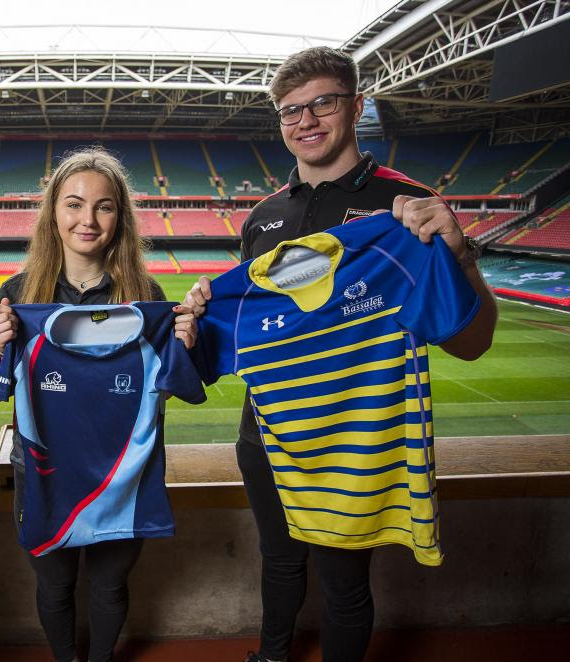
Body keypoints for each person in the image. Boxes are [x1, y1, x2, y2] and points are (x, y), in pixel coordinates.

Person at [185, 47, 497, 662]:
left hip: (356, 437)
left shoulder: (407, 207)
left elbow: (472, 342)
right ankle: (271, 656)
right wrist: (201, 314)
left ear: (356, 107)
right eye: (290, 110)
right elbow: (246, 330)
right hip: (266, 430)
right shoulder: (263, 217)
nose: (305, 120)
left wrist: (460, 256)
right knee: (278, 559)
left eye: (322, 103)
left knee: (344, 581)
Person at [0, 147, 196, 662]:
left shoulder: (146, 294)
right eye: (74, 204)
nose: (88, 220)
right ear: (53, 212)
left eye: (104, 206)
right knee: (54, 584)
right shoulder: (17, 292)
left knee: (110, 585)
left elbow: (168, 388)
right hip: (43, 471)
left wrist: (184, 348)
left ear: (120, 217)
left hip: (123, 472)